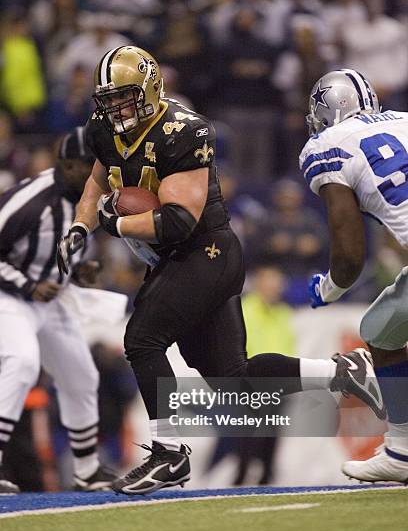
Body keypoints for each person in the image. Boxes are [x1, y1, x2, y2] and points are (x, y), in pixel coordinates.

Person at [57, 46, 382, 496]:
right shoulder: (104, 129)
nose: (115, 109)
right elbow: (98, 180)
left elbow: (177, 221)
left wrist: (112, 223)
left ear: (150, 90)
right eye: (108, 100)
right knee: (233, 377)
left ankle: (169, 454)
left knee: (142, 339)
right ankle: (341, 370)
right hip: (177, 258)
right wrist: (79, 226)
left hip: (205, 251)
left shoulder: (183, 131)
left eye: (124, 98)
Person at [301, 68, 408, 483]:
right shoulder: (403, 119)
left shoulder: (326, 145)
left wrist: (328, 288)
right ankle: (401, 452)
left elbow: (349, 258)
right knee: (381, 329)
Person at [0, 127, 116, 493]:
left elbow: (61, 249)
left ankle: (86, 470)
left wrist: (78, 270)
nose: (97, 174)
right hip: (11, 296)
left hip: (50, 298)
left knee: (81, 375)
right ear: (67, 166)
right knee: (22, 362)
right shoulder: (30, 201)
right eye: (89, 166)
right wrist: (29, 286)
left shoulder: (93, 197)